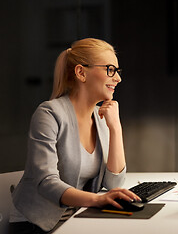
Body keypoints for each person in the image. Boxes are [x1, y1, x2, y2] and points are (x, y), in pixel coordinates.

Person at [9, 38, 140, 234]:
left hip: (77, 220)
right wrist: (97, 200)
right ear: (81, 72)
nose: (118, 79)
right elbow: (46, 182)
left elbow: (113, 183)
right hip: (37, 225)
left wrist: (116, 128)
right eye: (110, 70)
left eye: (117, 72)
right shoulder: (48, 114)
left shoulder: (101, 116)